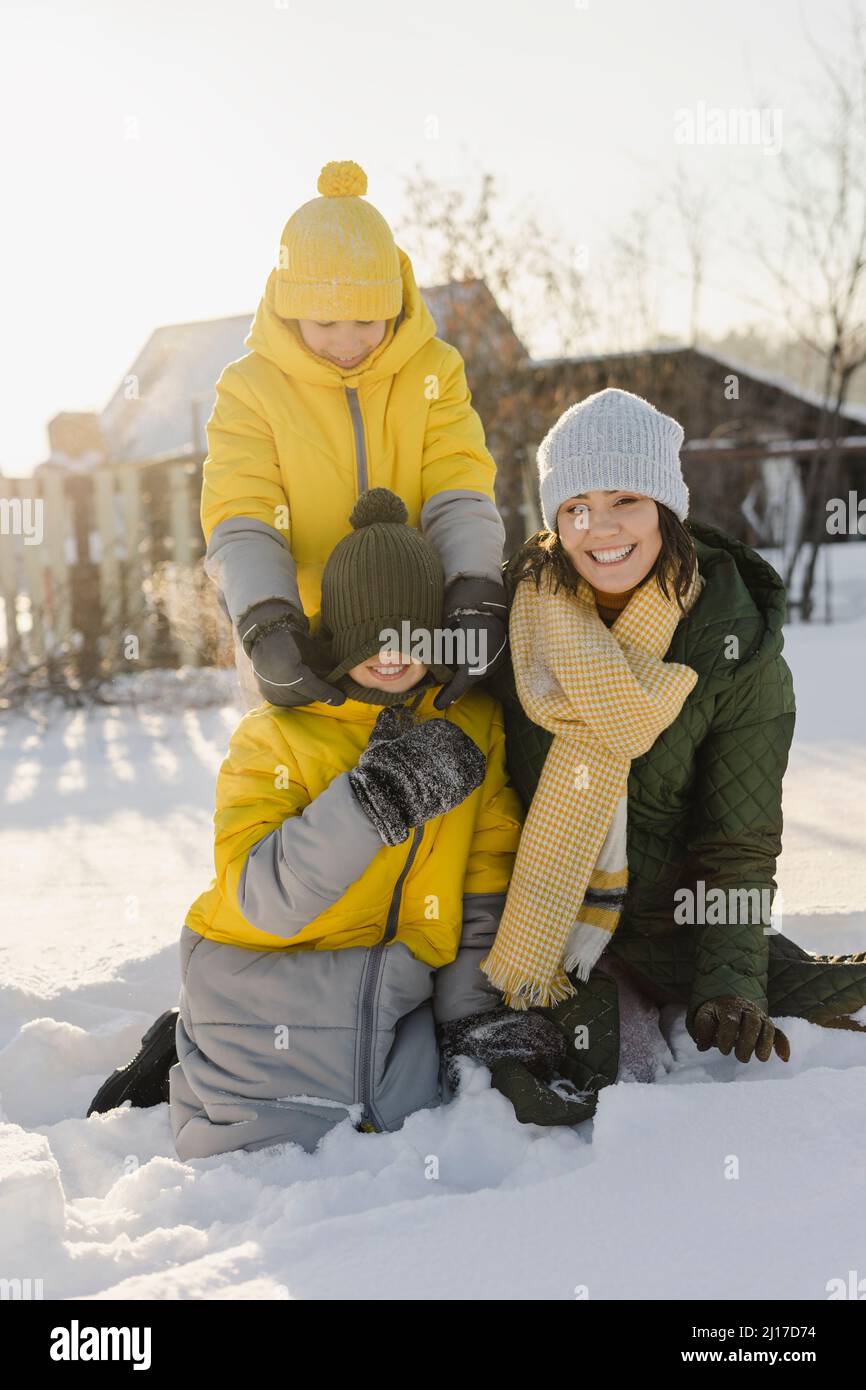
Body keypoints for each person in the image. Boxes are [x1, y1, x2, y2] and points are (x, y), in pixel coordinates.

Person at [87, 158, 509, 1117]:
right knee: (301, 854)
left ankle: (418, 1014)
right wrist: (268, 622)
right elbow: (240, 515)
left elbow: (458, 487)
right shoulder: (252, 388)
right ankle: (207, 1029)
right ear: (286, 308)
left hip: (420, 635)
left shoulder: (434, 372)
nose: (352, 342)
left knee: (437, 836)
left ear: (398, 304)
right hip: (306, 651)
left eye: (370, 319)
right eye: (328, 322)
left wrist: (476, 588)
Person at [464, 387, 866, 1126]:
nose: (601, 527)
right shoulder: (520, 625)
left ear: (666, 509)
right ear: (553, 520)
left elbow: (736, 848)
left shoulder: (733, 646)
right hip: (545, 928)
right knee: (574, 1086)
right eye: (576, 506)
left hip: (673, 926)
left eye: (626, 499)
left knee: (832, 999)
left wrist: (730, 985)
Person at [168, 490, 549, 1156]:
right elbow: (262, 901)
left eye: (411, 631)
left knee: (403, 1126)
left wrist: (474, 1015)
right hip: (261, 980)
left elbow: (485, 883)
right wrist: (373, 802)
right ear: (343, 632)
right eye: (376, 632)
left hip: (390, 1002)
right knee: (253, 1153)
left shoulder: (471, 726)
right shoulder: (275, 738)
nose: (395, 652)